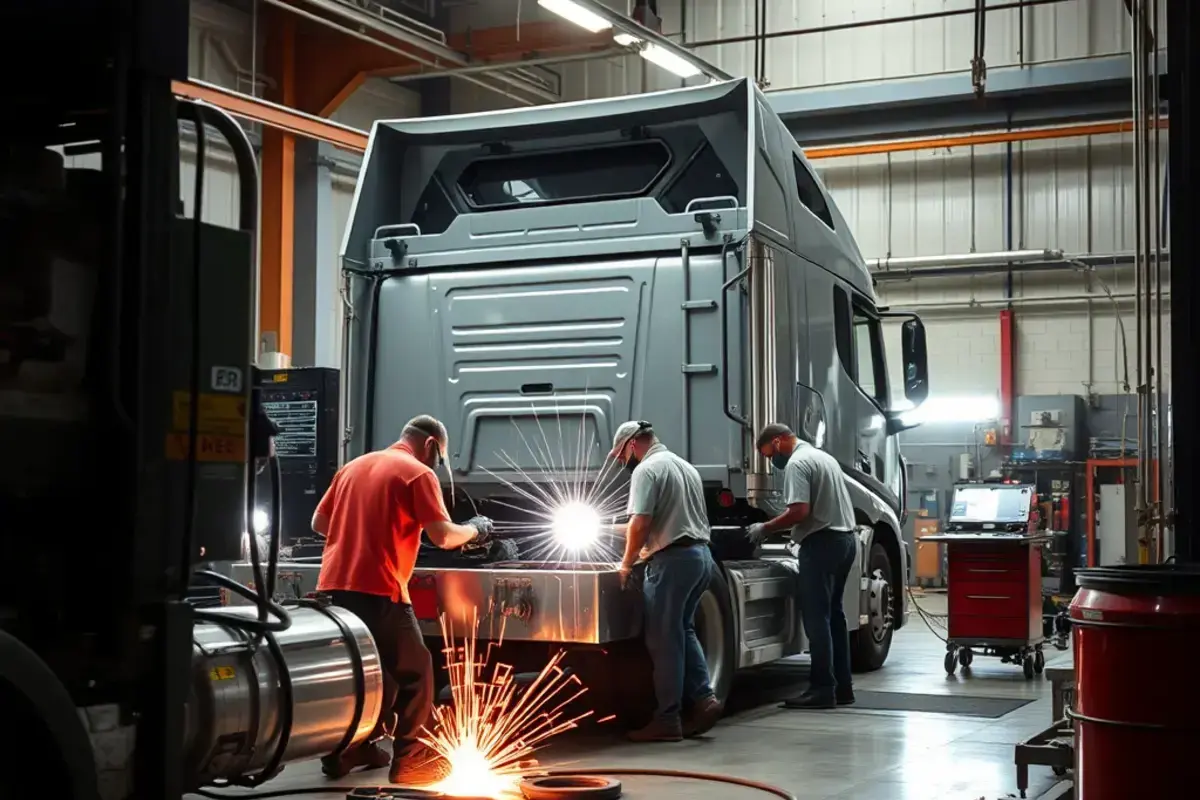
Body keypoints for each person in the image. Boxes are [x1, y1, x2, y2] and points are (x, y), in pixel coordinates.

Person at [313, 415, 494, 784]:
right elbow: (444, 537)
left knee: (366, 674)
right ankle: (413, 760)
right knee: (416, 673)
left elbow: (319, 523)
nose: (436, 466)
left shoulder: (353, 467)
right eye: (439, 458)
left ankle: (347, 751)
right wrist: (475, 531)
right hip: (380, 589)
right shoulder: (417, 473)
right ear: (430, 445)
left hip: (334, 587)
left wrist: (363, 533)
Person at [611, 420, 723, 742]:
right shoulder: (684, 467)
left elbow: (641, 522)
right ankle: (704, 699)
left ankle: (667, 719)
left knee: (663, 640)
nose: (623, 462)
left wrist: (626, 563)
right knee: (682, 630)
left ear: (633, 444)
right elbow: (665, 518)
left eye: (621, 455)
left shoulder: (646, 470)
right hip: (700, 557)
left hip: (671, 563)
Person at [746, 422, 858, 710]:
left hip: (822, 544)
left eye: (770, 455)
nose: (773, 461)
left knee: (816, 617)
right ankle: (843, 687)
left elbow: (799, 511)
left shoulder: (797, 463)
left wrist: (765, 528)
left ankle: (822, 689)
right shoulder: (824, 457)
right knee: (834, 615)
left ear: (779, 441)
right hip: (846, 540)